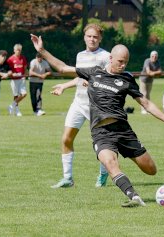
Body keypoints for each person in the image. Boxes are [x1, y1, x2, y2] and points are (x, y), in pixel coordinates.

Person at [31, 34, 164, 207]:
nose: (123, 65)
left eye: (126, 62)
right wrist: (42, 51)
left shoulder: (127, 79)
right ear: (110, 58)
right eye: (120, 61)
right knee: (110, 163)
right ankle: (133, 196)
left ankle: (131, 167)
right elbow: (62, 68)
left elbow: (146, 104)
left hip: (123, 130)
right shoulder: (94, 72)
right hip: (101, 133)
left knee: (151, 170)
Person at [49, 24, 111, 189]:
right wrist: (64, 86)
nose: (92, 39)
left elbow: (109, 80)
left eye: (95, 37)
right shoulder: (80, 55)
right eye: (89, 36)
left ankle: (103, 174)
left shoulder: (106, 56)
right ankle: (67, 178)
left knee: (102, 143)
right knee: (66, 139)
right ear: (84, 37)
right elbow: (79, 78)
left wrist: (93, 82)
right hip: (78, 103)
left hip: (97, 106)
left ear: (100, 38)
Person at [6, 44, 28, 116]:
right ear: (14, 50)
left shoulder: (23, 58)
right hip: (14, 80)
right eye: (17, 50)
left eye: (20, 50)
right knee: (16, 95)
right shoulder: (10, 59)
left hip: (22, 79)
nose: (18, 52)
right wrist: (12, 74)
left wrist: (25, 75)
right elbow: (8, 70)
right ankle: (16, 110)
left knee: (24, 94)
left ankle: (12, 106)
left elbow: (25, 68)